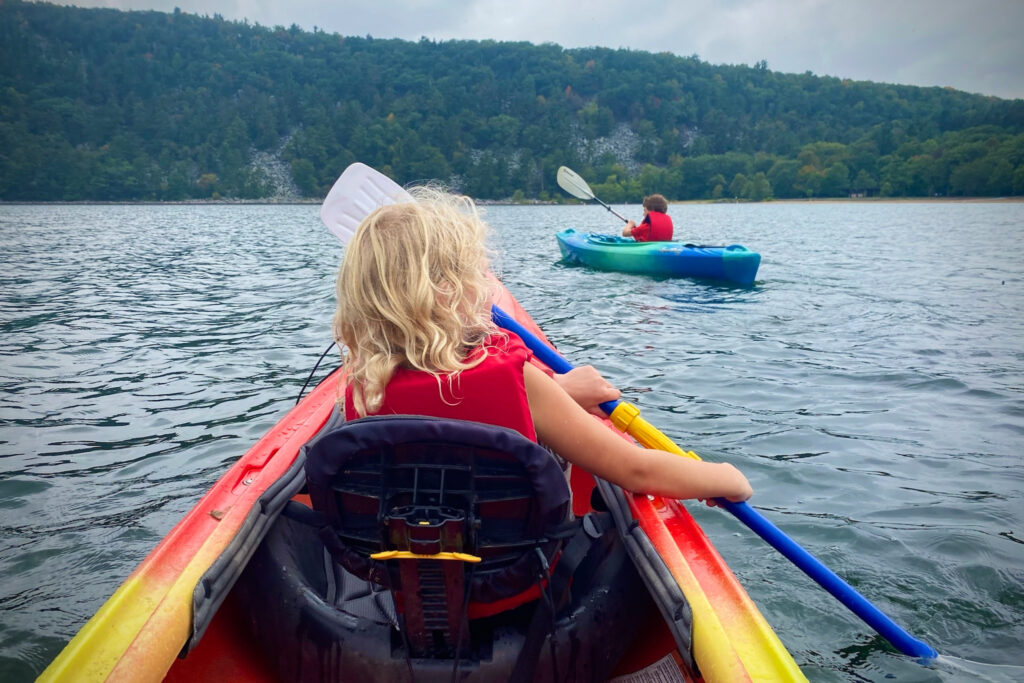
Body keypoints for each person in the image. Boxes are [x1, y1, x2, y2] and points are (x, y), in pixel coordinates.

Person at [333, 186, 751, 504]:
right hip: (520, 586)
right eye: (477, 273)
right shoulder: (513, 377)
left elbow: (453, 413)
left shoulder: (361, 391)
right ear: (452, 291)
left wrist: (559, 394)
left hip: (401, 587)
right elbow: (636, 470)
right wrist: (725, 477)